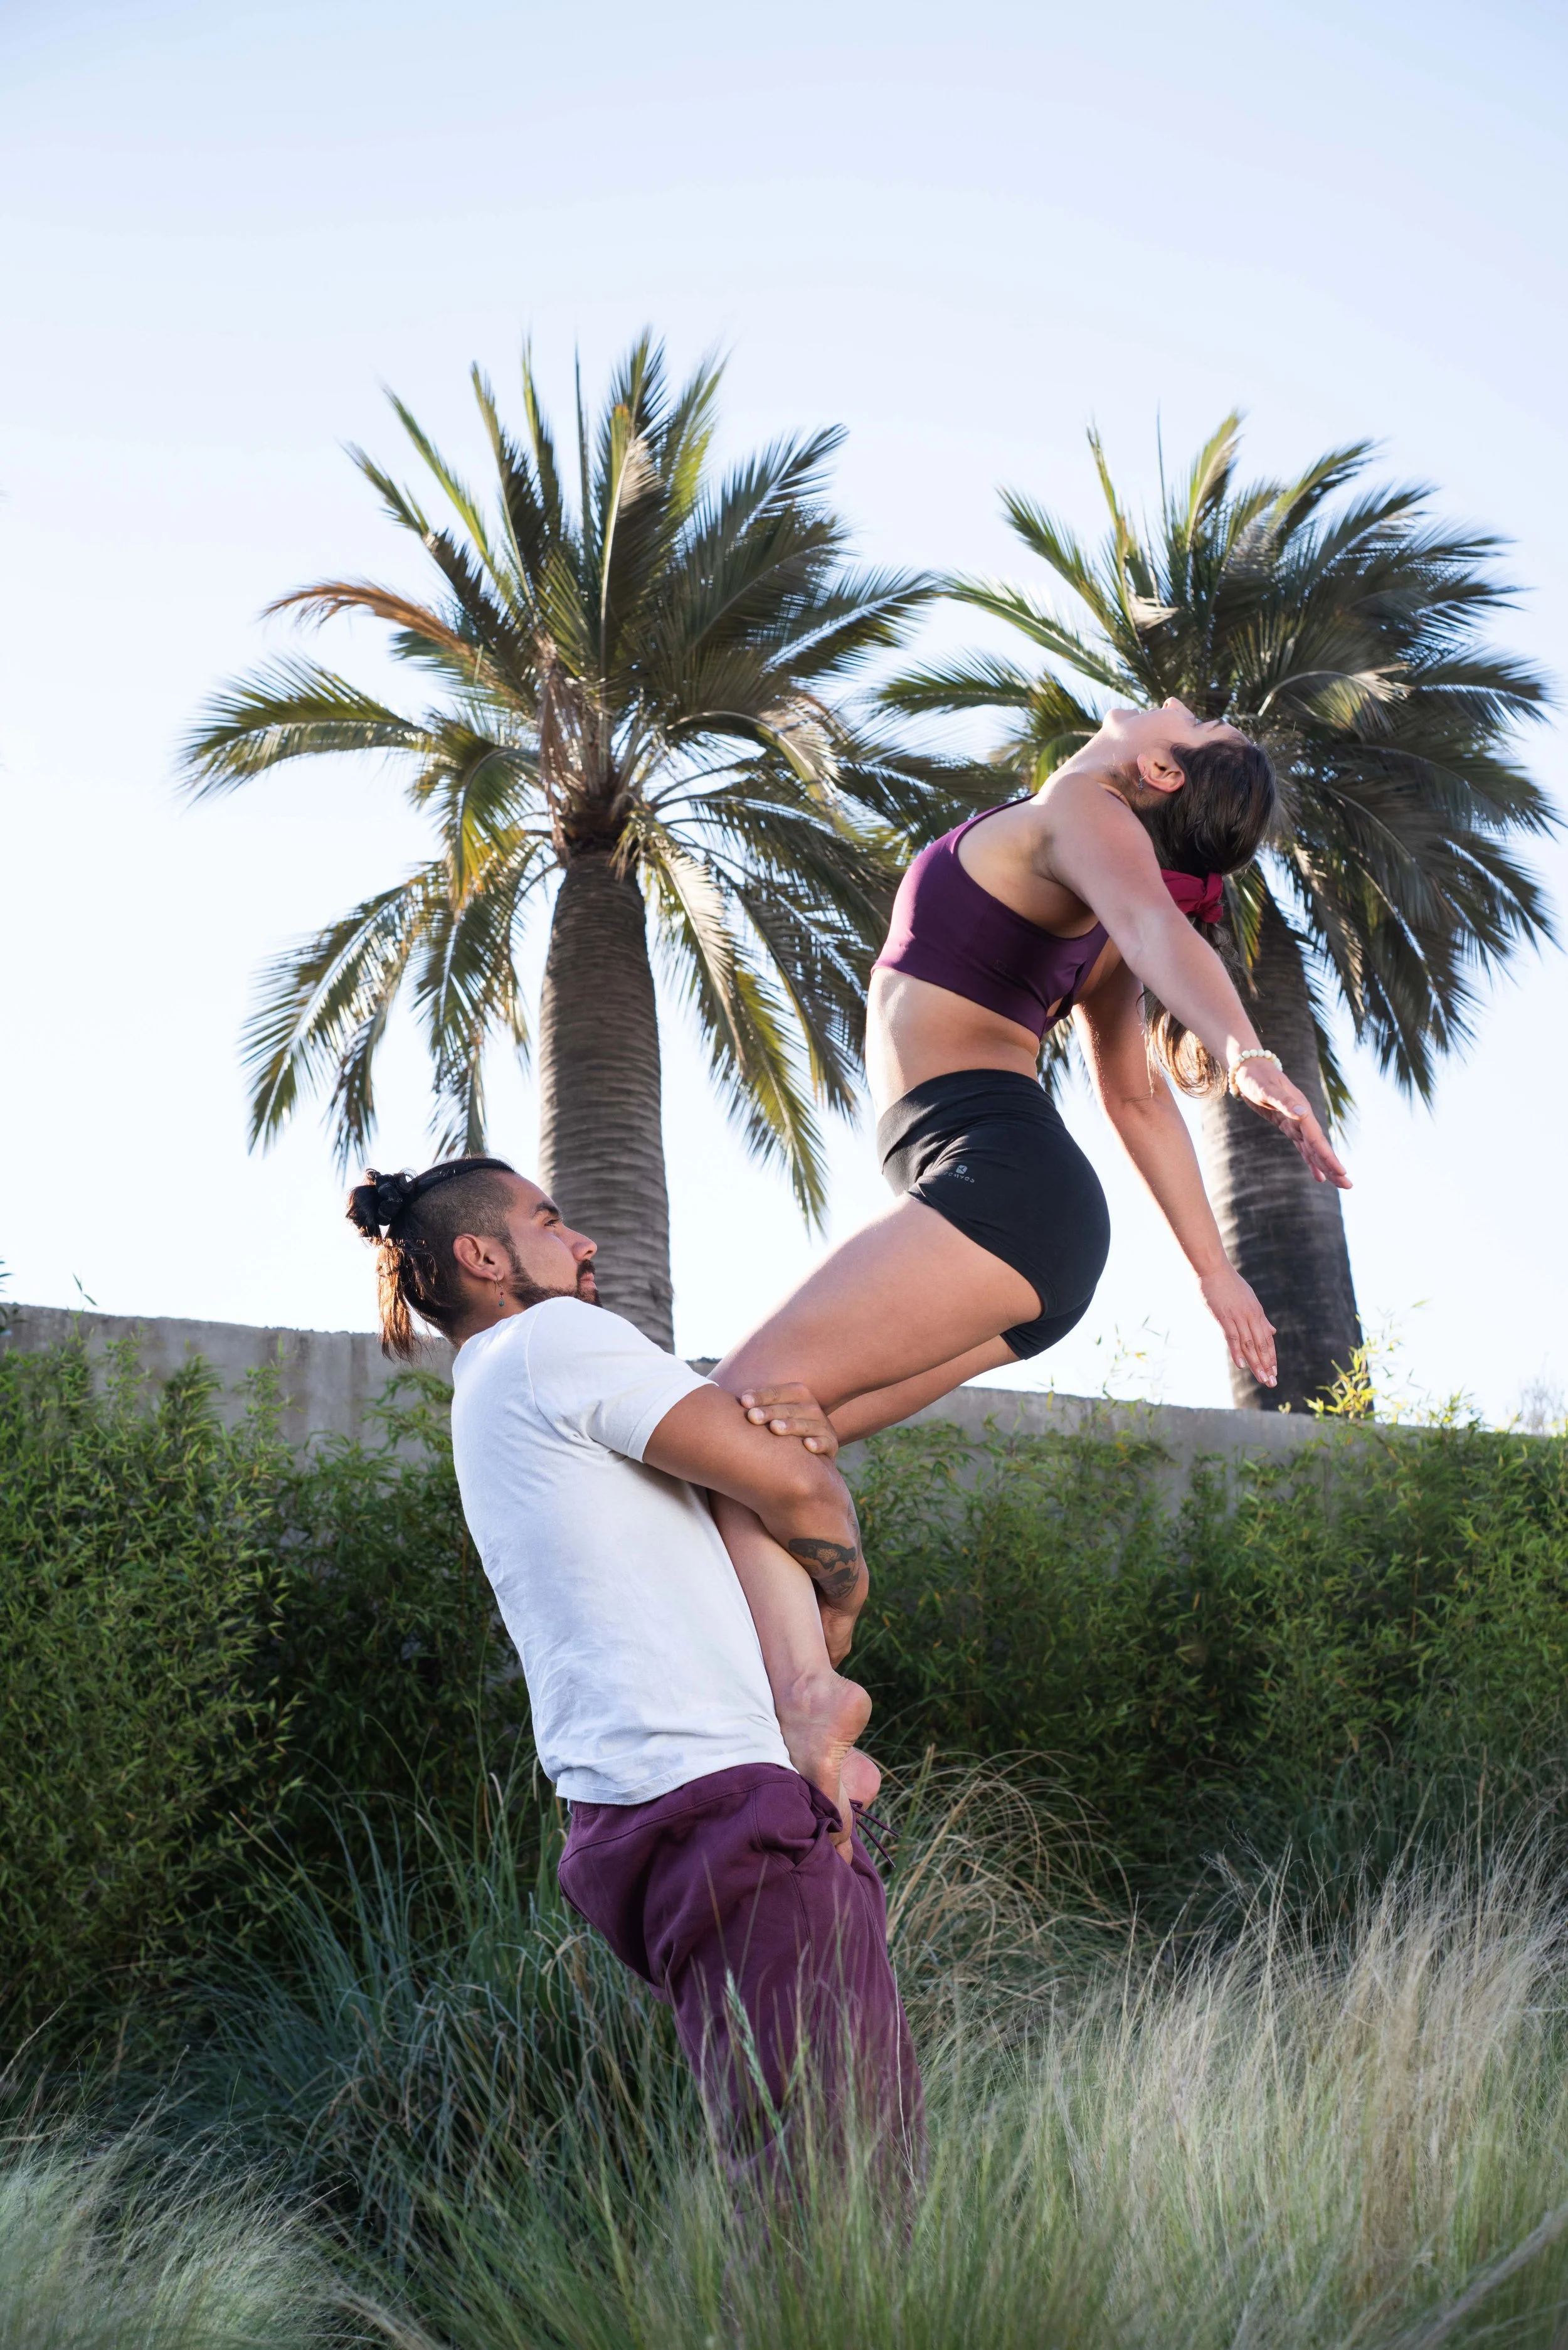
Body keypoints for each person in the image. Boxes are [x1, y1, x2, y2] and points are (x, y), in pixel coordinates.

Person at [711, 699, 1354, 1824]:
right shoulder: (1094, 876)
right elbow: (1131, 1093)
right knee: (762, 1434)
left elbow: (1162, 934)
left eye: (1190, 720)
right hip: (1028, 1229)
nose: (1177, 705)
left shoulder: (1081, 806)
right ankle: (808, 1692)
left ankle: (820, 1669)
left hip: (1000, 1184)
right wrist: (1215, 1273)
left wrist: (1243, 1050)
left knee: (729, 1409)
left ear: (1156, 766)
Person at [345, 1157, 919, 2161]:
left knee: (791, 2172)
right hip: (725, 1801)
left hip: (637, 1816)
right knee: (845, 2180)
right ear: (485, 1256)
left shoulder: (487, 1398)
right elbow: (801, 1492)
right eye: (551, 1221)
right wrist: (844, 1605)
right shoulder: (550, 1338)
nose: (584, 1242)